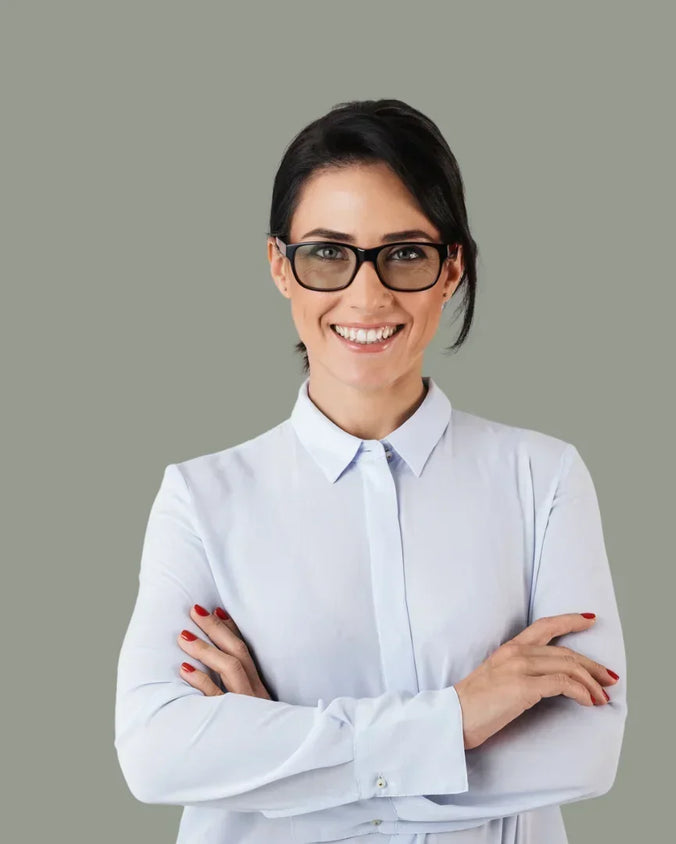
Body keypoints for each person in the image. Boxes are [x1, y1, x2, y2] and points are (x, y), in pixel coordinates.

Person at [114, 99, 626, 843]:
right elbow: (155, 755)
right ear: (278, 266)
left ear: (451, 267)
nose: (367, 294)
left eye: (405, 253)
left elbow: (585, 754)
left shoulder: (543, 479)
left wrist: (273, 748)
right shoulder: (201, 499)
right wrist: (459, 718)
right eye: (328, 252)